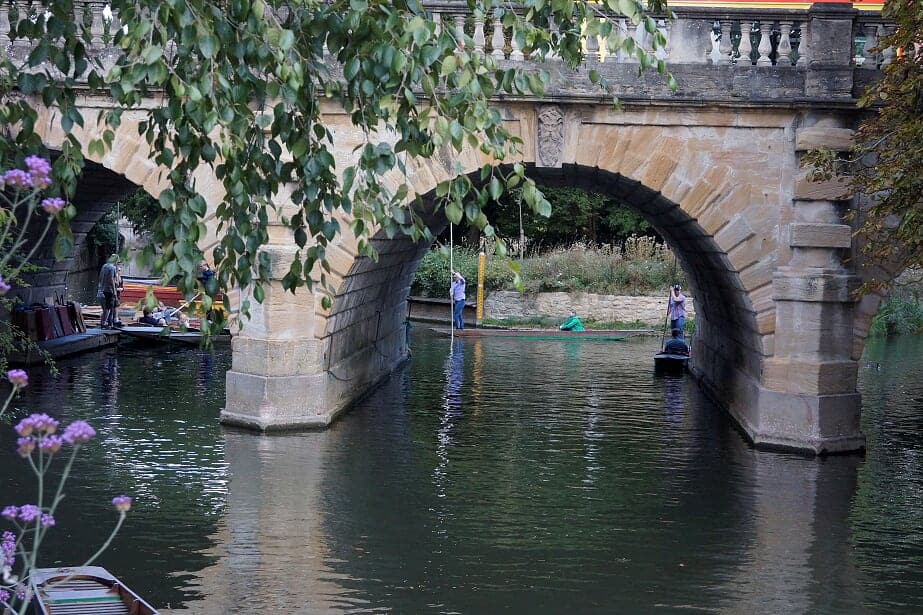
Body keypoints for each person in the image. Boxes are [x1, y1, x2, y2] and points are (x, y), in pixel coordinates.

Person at [97, 256, 119, 328]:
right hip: (109, 290)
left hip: (103, 288)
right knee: (108, 308)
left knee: (109, 307)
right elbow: (112, 279)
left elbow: (100, 277)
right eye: (117, 261)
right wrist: (114, 291)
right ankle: (104, 323)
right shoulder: (112, 268)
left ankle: (109, 321)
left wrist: (102, 285)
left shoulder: (104, 266)